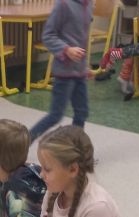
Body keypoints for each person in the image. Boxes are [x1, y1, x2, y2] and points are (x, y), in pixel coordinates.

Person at [29, 0, 93, 143]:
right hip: (64, 72)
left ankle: (75, 147)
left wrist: (84, 66)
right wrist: (66, 50)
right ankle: (25, 140)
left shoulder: (89, 4)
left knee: (82, 112)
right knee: (56, 114)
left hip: (79, 71)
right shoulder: (63, 4)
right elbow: (48, 36)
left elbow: (82, 39)